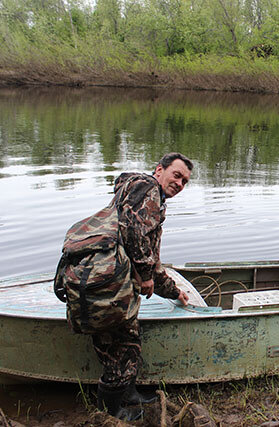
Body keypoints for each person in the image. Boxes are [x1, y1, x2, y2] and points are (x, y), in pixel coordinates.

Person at [94, 152, 192, 420]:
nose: (179, 184)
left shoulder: (145, 194)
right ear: (159, 169)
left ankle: (129, 393)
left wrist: (173, 291)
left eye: (184, 181)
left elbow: (150, 257)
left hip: (116, 279)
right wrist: (146, 274)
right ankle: (110, 412)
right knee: (122, 346)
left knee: (128, 340)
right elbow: (134, 230)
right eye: (176, 175)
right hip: (112, 283)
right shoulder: (148, 188)